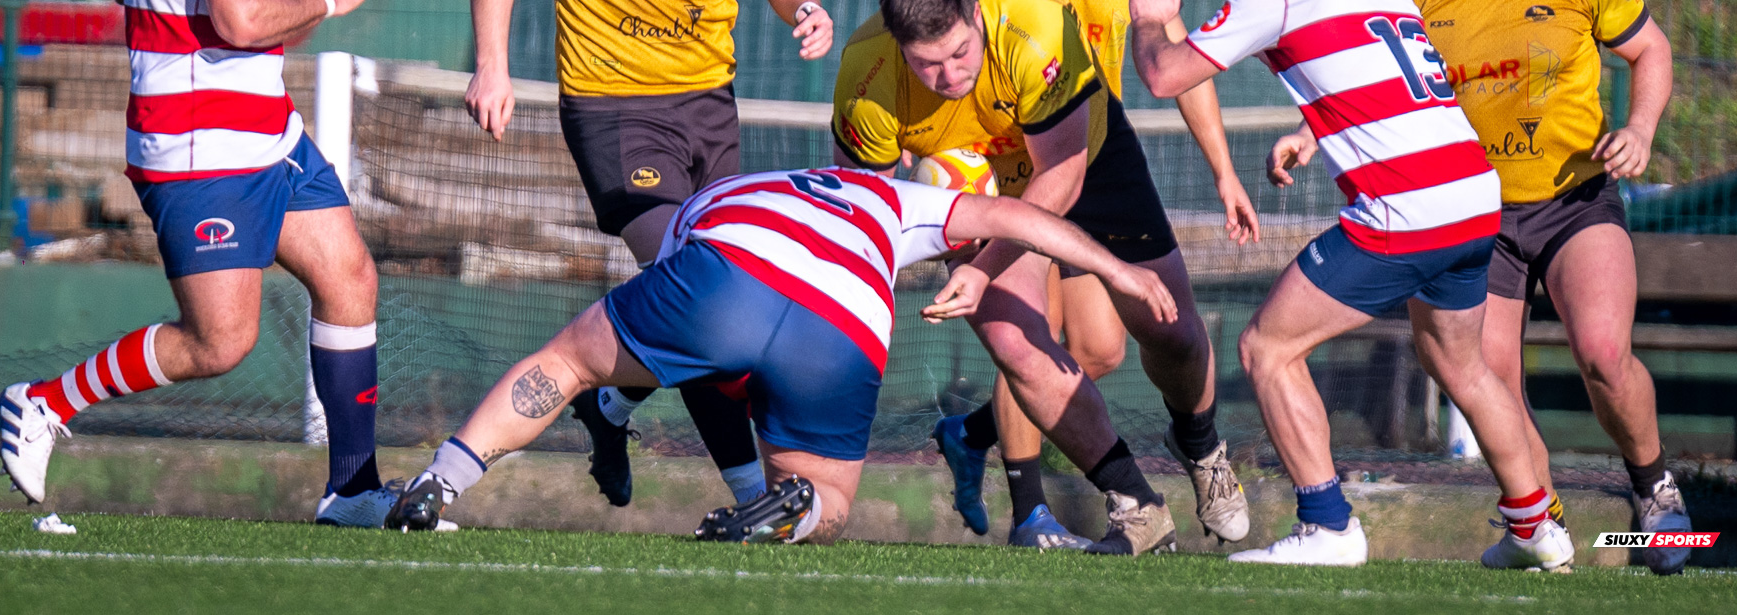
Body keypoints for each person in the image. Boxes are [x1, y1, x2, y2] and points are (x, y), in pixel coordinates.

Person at [0, 0, 395, 525]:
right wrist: (322, 0)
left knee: (350, 277)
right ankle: (43, 402)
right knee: (220, 342)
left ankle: (354, 491)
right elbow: (240, 19)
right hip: (202, 150)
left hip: (267, 136)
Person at [1127, 0, 1570, 570]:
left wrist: (1151, 21)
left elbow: (1164, 73)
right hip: (1473, 196)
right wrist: (1312, 132)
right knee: (1460, 363)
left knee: (1267, 348)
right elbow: (1374, 83)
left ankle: (1328, 526)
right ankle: (1536, 528)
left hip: (1407, 206)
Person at [385, 167, 1175, 542]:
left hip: (727, 268)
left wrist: (621, 382)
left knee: (565, 364)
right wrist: (1118, 269)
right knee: (830, 502)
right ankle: (793, 507)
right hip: (844, 320)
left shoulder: (725, 193)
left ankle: (435, 485)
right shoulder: (898, 198)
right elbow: (1017, 216)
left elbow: (687, 327)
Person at [463, 0, 835, 510]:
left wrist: (806, 7)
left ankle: (611, 402)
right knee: (706, 286)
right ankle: (752, 496)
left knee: (711, 288)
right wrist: (492, 65)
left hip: (710, 111)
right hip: (613, 110)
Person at [831, 0, 1254, 555]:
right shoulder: (865, 77)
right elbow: (868, 212)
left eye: (960, 53)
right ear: (899, 47)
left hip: (1081, 159)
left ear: (976, 15)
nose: (949, 76)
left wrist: (983, 270)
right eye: (927, 64)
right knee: (1015, 344)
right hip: (983, 192)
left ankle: (1201, 446)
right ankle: (1138, 506)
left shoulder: (1037, 23)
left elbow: (1063, 176)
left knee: (1173, 331)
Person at [932, 0, 1256, 549]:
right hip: (1017, 162)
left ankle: (1198, 448)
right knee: (1030, 335)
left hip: (1099, 152)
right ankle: (1031, 513)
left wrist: (1224, 171)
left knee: (1136, 341)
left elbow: (1182, 65)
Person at [1400, 0, 1690, 574]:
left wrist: (1640, 129)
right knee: (1490, 380)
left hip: (1573, 201)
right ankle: (1544, 523)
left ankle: (1654, 488)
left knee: (1603, 355)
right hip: (1477, 216)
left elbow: (1651, 50)